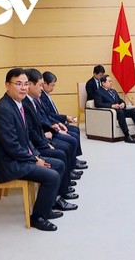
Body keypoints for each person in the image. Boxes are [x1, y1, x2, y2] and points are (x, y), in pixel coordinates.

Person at [0, 68, 65, 231]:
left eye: (26, 84)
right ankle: (37, 217)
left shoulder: (16, 104)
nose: (23, 88)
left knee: (59, 164)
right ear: (7, 85)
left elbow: (25, 138)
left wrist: (36, 156)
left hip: (18, 157)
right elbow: (11, 146)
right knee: (52, 175)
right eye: (18, 84)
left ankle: (48, 205)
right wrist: (35, 160)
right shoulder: (4, 110)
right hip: (8, 163)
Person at [24, 68, 82, 197]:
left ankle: (64, 184)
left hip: (41, 138)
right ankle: (62, 191)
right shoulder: (23, 104)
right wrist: (45, 142)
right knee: (64, 150)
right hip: (35, 146)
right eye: (40, 85)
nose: (41, 88)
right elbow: (28, 133)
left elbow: (40, 121)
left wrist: (55, 126)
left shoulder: (31, 100)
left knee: (68, 143)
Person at [41, 71, 87, 169]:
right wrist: (61, 121)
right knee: (72, 138)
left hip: (53, 124)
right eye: (52, 85)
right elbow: (48, 116)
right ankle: (72, 162)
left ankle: (74, 158)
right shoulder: (40, 97)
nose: (53, 88)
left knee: (75, 130)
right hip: (48, 129)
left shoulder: (44, 95)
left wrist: (60, 121)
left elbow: (49, 115)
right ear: (44, 83)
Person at [94, 75, 135, 143]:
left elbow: (120, 100)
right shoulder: (98, 92)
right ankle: (127, 135)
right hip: (112, 113)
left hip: (120, 110)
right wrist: (112, 106)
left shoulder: (113, 91)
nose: (111, 82)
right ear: (103, 83)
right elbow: (98, 104)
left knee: (134, 110)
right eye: (109, 81)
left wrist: (123, 104)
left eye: (111, 81)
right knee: (120, 112)